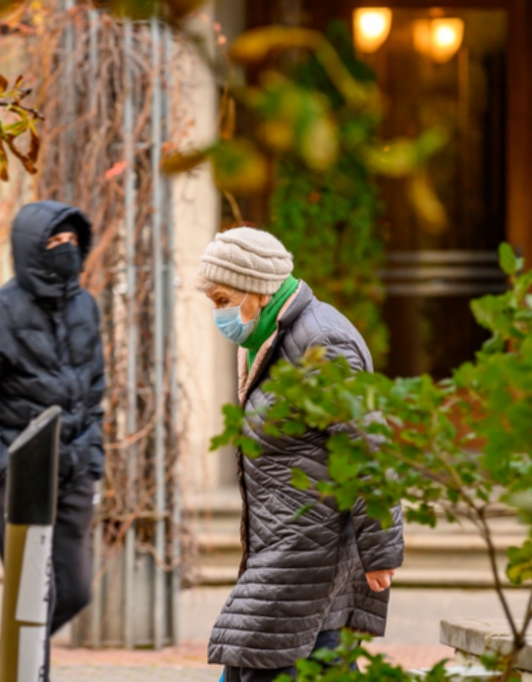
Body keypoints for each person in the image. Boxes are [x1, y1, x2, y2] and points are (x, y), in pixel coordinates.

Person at [196, 226, 404, 682]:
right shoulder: (270, 340)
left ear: (256, 290)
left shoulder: (320, 342)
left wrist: (381, 548)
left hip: (309, 552)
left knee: (260, 665)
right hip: (287, 548)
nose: (220, 313)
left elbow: (367, 445)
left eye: (222, 298)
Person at [0, 201, 105, 682]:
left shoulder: (85, 306)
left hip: (73, 475)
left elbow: (94, 393)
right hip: (16, 477)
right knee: (39, 593)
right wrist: (3, 469)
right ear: (32, 251)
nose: (66, 251)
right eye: (55, 244)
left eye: (72, 243)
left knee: (74, 592)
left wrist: (91, 459)